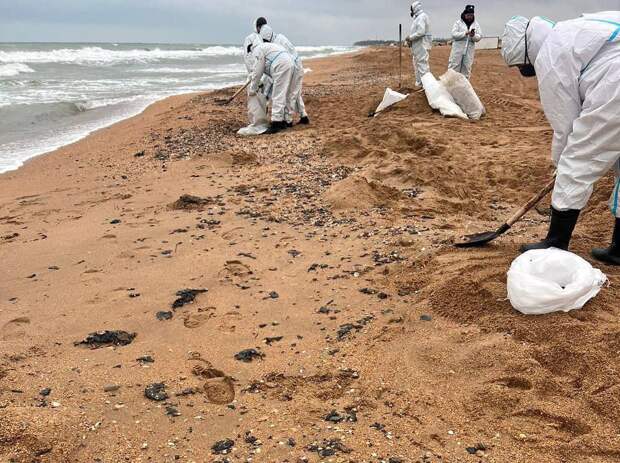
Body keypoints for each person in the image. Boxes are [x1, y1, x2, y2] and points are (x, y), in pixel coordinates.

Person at [501, 12, 620, 265]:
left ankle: (555, 243)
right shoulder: (571, 29)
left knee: (577, 161)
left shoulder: (550, 55)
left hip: (615, 86)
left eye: (522, 66)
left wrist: (561, 166)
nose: (524, 70)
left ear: (526, 54)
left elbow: (565, 125)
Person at [257, 24, 310, 125]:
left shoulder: (278, 42)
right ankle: (304, 116)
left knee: (290, 94)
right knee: (296, 93)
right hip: (294, 66)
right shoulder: (279, 38)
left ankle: (287, 120)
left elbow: (278, 65)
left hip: (294, 68)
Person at [249, 26, 295, 134]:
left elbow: (258, 71)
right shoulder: (266, 47)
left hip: (281, 65)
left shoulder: (257, 50)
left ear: (252, 49)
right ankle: (286, 120)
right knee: (284, 93)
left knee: (277, 94)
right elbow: (265, 69)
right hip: (289, 62)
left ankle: (276, 123)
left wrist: (253, 88)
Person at [239, 33, 271, 136]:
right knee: (262, 97)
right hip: (260, 74)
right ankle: (261, 121)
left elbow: (253, 62)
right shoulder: (258, 42)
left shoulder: (251, 41)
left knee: (256, 97)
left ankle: (258, 123)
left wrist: (253, 79)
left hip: (257, 74)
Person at [448, 5, 482, 79]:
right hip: (458, 49)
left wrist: (473, 35)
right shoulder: (458, 23)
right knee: (454, 67)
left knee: (466, 68)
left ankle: (463, 88)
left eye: (471, 15)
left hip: (469, 50)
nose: (470, 17)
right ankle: (450, 88)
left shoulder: (476, 24)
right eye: (468, 15)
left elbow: (479, 37)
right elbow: (453, 34)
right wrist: (465, 33)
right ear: (465, 14)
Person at [406, 1, 432, 87]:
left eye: (412, 10)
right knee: (417, 65)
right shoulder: (417, 18)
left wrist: (410, 38)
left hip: (421, 45)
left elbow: (421, 32)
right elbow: (416, 32)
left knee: (422, 66)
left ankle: (427, 87)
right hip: (417, 46)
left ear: (415, 9)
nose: (411, 12)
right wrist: (410, 41)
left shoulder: (421, 17)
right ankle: (420, 84)